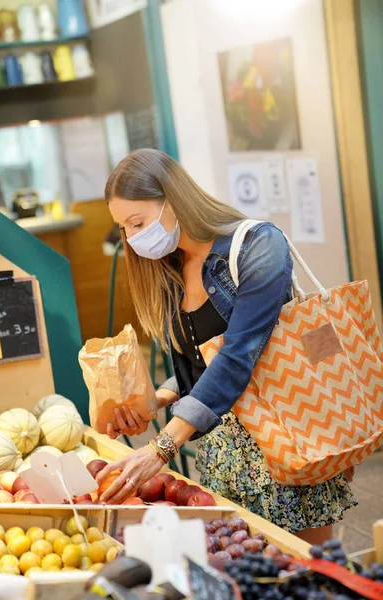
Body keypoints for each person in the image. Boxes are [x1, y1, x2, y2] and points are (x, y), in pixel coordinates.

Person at [96, 148, 357, 544]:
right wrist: (155, 400)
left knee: (305, 573)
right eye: (124, 229)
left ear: (173, 200)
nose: (132, 239)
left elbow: (238, 355)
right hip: (224, 455)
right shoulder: (169, 268)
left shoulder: (259, 246)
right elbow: (201, 366)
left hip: (285, 440)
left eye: (138, 222)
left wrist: (162, 446)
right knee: (241, 567)